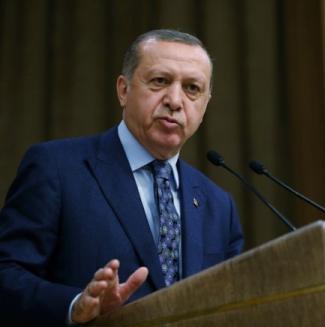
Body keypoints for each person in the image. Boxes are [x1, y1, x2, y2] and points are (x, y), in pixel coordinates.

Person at [0, 29, 244, 326]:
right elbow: (7, 273)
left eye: (192, 88)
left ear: (205, 106)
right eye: (160, 81)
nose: (175, 100)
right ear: (123, 90)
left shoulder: (219, 205)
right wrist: (75, 306)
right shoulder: (56, 168)